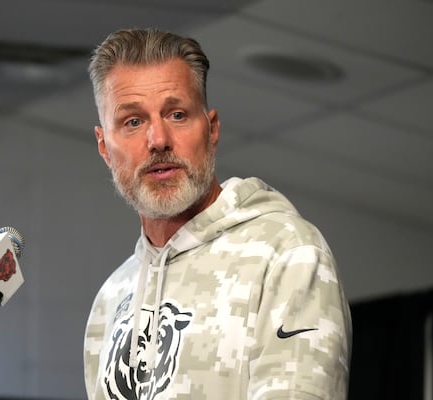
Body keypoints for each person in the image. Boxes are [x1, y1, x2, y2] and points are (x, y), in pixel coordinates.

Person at [84, 28, 352, 400]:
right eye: (133, 121)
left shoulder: (285, 253)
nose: (158, 139)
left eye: (177, 114)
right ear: (104, 147)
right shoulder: (111, 299)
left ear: (211, 130)